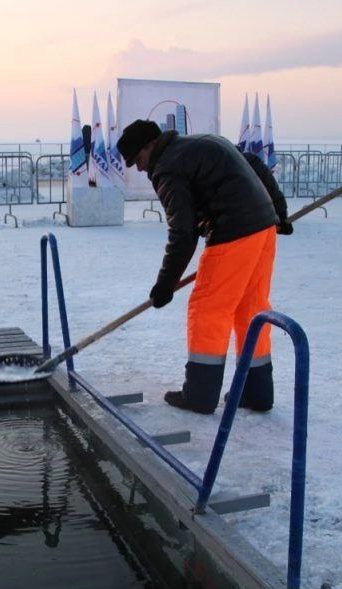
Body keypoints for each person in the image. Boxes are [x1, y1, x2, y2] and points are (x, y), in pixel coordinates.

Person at [117, 120, 280, 414]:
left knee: (208, 310)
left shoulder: (168, 167)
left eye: (137, 160)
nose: (139, 168)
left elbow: (183, 231)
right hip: (262, 228)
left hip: (234, 232)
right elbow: (254, 163)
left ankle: (200, 395)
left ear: (149, 146)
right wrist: (279, 212)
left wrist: (165, 284)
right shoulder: (205, 142)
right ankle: (256, 391)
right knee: (251, 310)